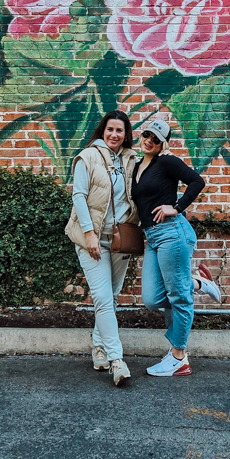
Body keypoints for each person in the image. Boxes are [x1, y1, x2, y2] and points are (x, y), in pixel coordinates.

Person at [64, 110, 139, 388]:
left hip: (121, 239)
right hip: (93, 239)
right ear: (102, 130)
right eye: (110, 129)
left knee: (112, 296)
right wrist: (89, 235)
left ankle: (98, 346)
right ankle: (117, 360)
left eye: (119, 130)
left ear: (125, 134)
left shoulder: (131, 160)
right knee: (103, 299)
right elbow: (79, 196)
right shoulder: (88, 157)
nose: (114, 135)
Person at [133, 115, 211, 377]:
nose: (149, 141)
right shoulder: (137, 167)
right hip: (153, 237)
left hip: (172, 233)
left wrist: (176, 207)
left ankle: (179, 357)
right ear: (141, 135)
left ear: (163, 143)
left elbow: (197, 181)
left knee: (178, 296)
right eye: (147, 135)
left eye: (156, 139)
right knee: (152, 298)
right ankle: (198, 283)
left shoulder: (166, 161)